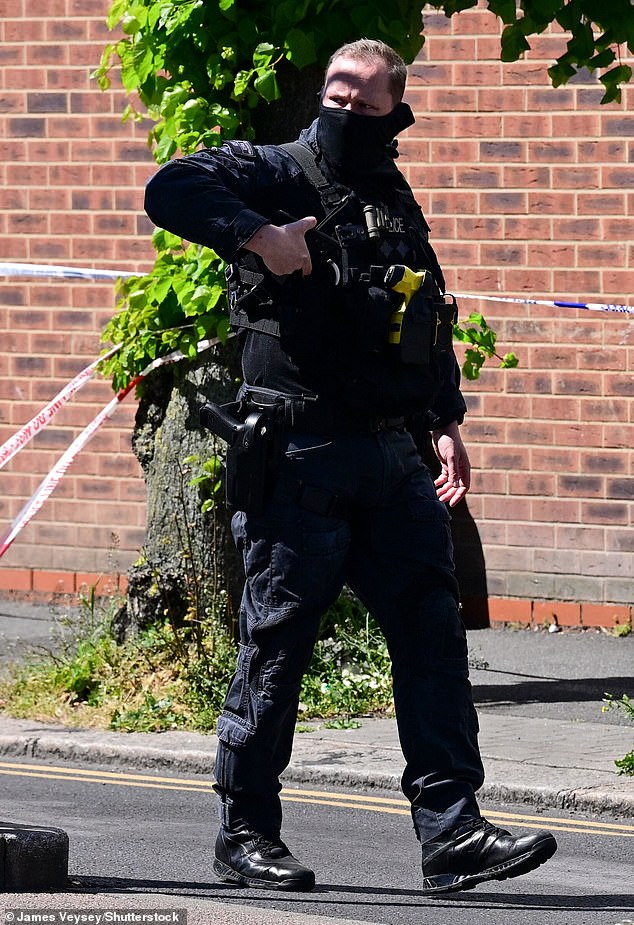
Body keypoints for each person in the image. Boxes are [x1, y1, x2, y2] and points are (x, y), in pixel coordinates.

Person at [144, 38, 557, 895]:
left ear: (395, 113)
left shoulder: (392, 193)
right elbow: (170, 188)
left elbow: (426, 310)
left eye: (366, 102)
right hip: (299, 451)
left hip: (390, 452)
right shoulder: (277, 171)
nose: (345, 111)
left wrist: (443, 418)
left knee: (431, 636)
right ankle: (246, 830)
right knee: (278, 644)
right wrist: (259, 238)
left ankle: (452, 830)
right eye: (337, 93)